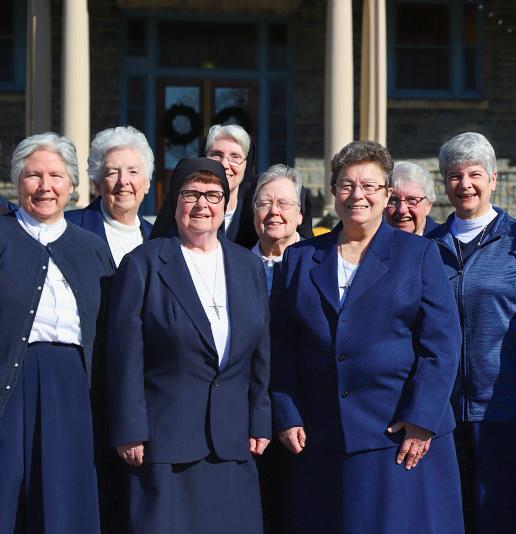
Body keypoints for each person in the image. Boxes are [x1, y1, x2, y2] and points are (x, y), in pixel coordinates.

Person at [271, 140, 464, 534]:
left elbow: (441, 346)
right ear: (333, 191)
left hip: (401, 436)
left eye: (369, 186)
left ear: (387, 193)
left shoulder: (420, 254)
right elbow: (281, 345)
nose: (357, 195)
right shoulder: (300, 258)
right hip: (323, 439)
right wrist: (287, 412)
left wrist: (422, 418)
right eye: (346, 185)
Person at [105, 157, 271, 534]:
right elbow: (125, 354)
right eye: (191, 194)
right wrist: (130, 428)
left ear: (227, 204)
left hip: (231, 441)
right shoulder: (144, 264)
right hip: (167, 441)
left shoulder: (247, 266)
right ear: (173, 201)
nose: (202, 205)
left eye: (213, 195)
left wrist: (260, 418)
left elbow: (260, 350)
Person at [427, 132, 516, 534]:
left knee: (501, 518)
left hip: (504, 411)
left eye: (474, 174)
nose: (465, 185)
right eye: (454, 176)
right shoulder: (429, 247)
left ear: (493, 179)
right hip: (441, 414)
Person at [0, 132, 115, 534]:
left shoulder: (92, 247)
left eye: (55, 176)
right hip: (9, 388)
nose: (45, 186)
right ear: (17, 182)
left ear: (71, 185)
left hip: (73, 388)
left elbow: (110, 333)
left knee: (65, 497)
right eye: (33, 176)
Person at [65, 126, 153, 266]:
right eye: (112, 173)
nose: (123, 181)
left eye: (133, 172)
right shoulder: (68, 228)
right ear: (97, 184)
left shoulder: (158, 237)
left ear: (147, 183)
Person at [251, 164, 303, 295]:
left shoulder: (319, 265)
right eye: (264, 204)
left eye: (283, 203)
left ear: (299, 215)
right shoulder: (235, 266)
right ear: (254, 214)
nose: (274, 211)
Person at [384, 160, 438, 235]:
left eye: (412, 201)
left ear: (428, 206)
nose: (402, 210)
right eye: (393, 201)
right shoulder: (368, 243)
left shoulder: (444, 243)